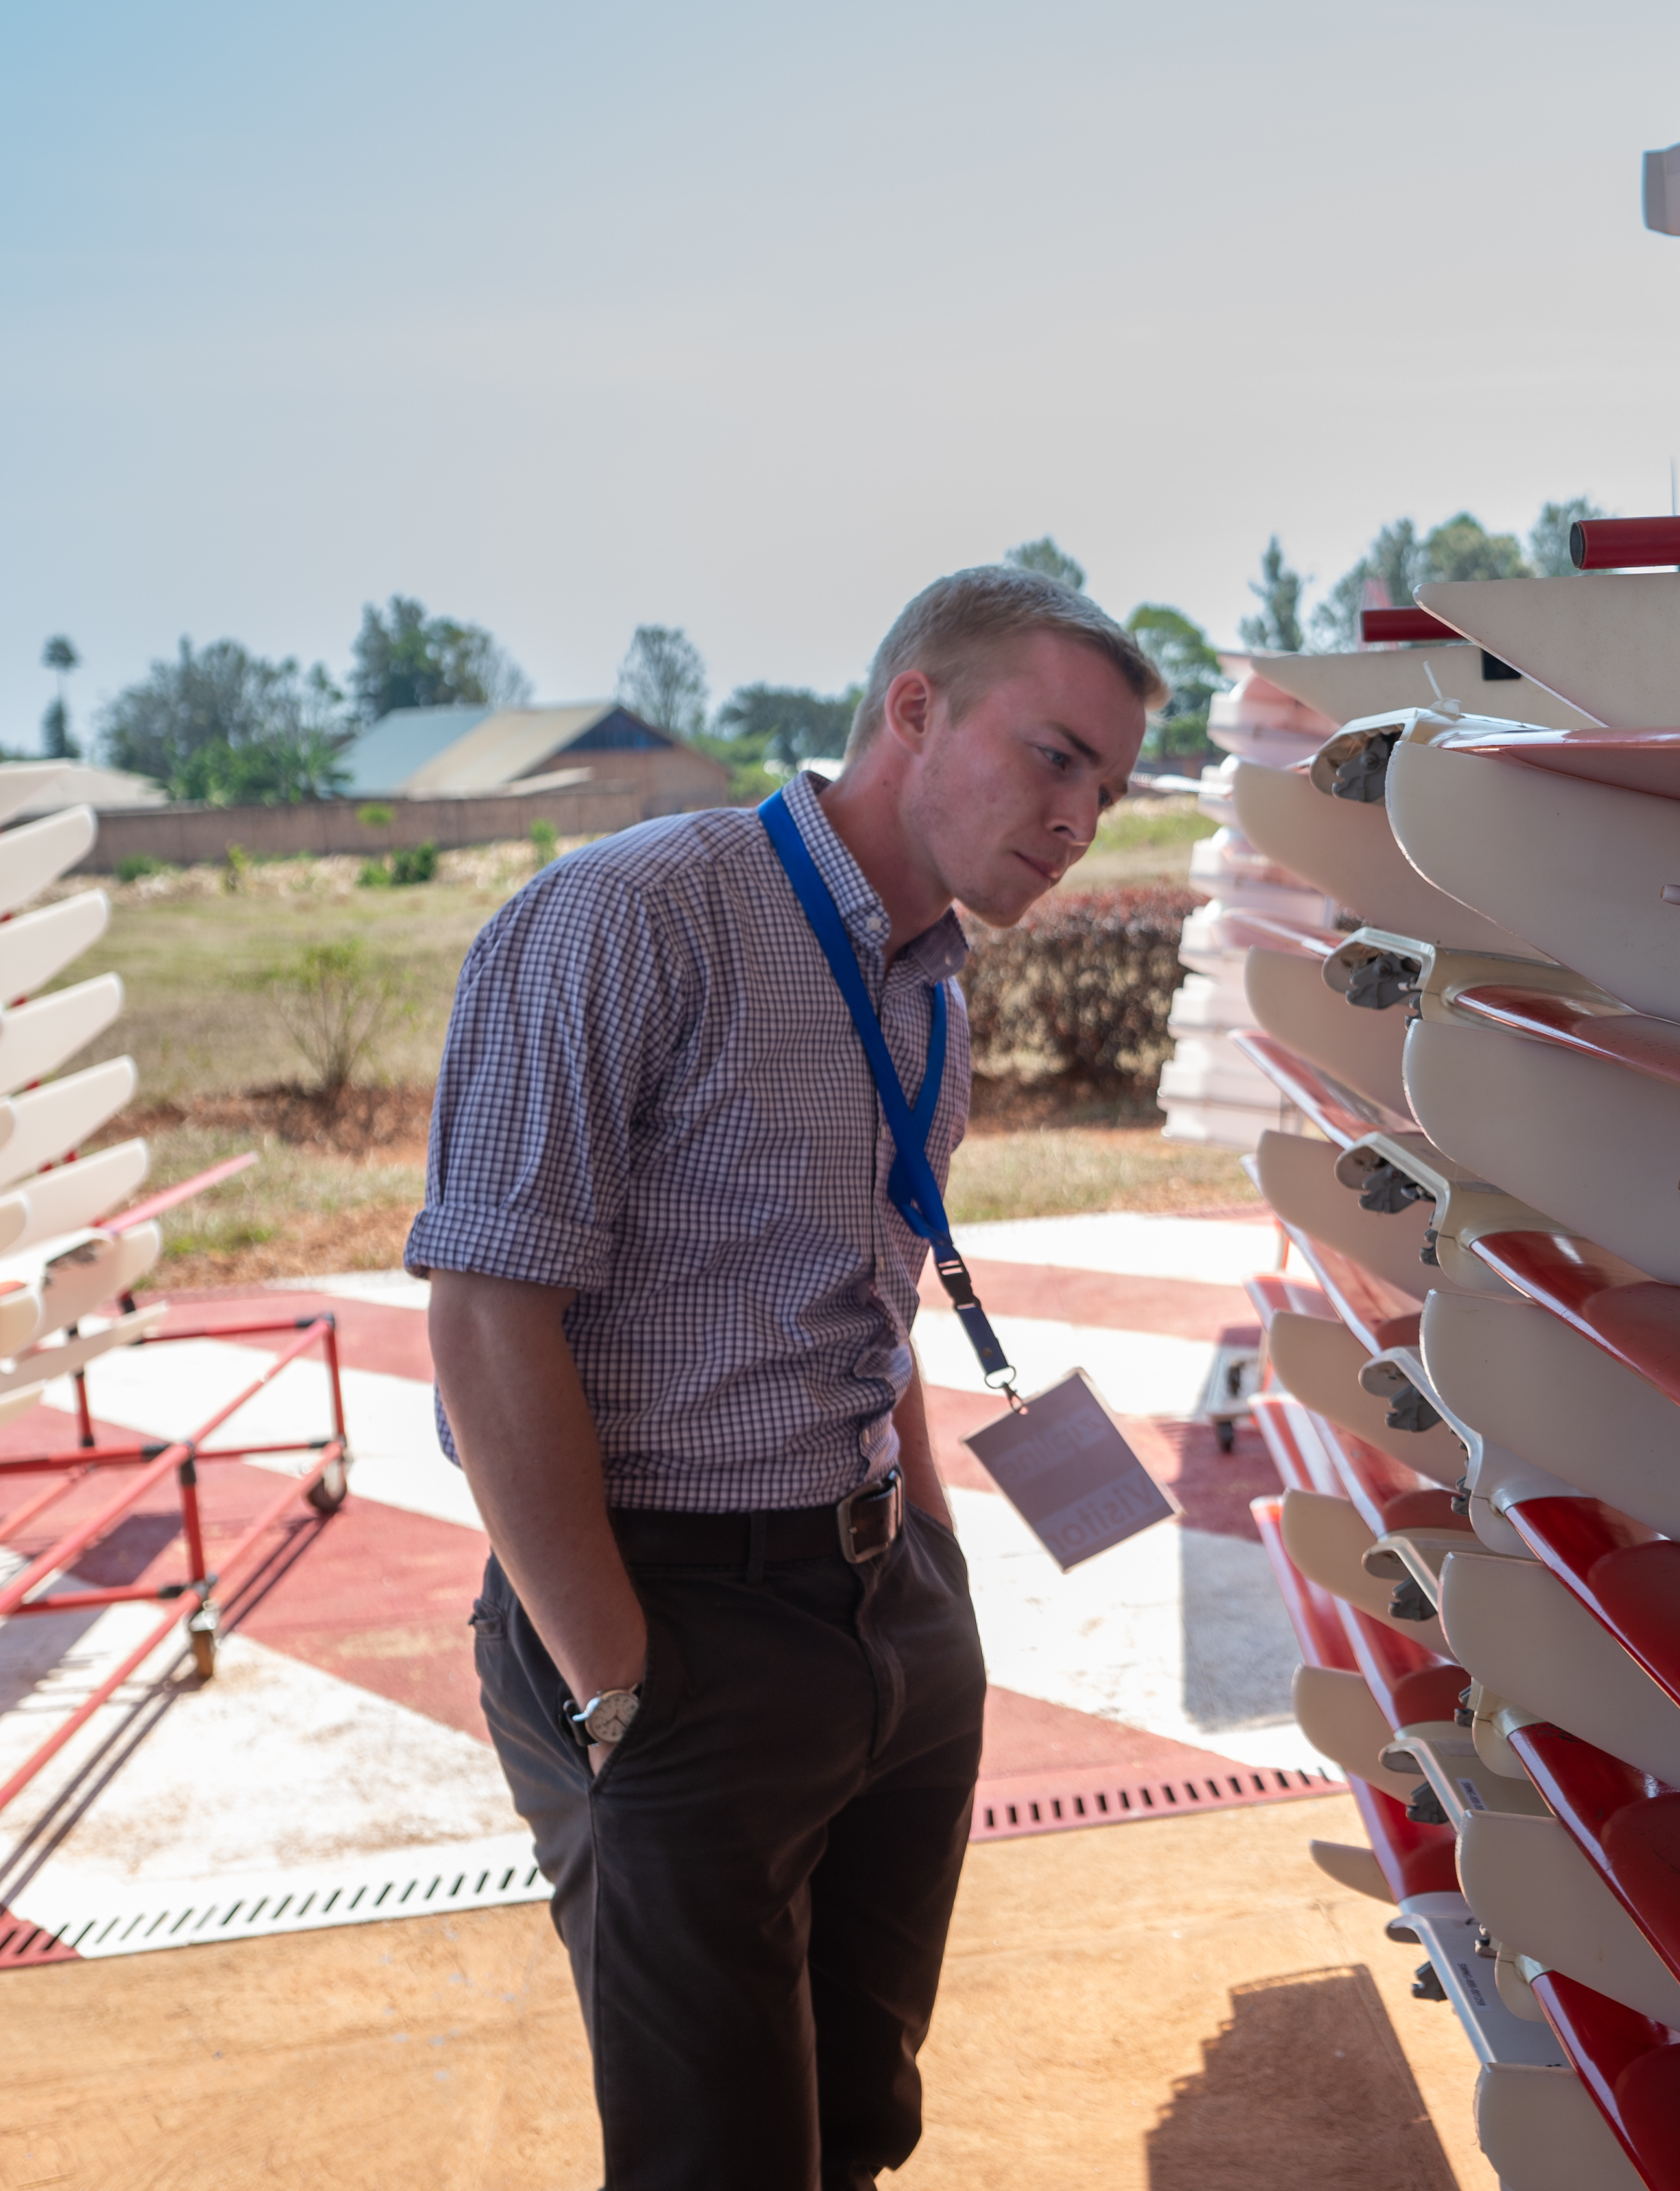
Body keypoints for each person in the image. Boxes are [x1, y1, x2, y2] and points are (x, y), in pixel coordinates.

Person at [413, 567, 1158, 2189]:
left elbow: (872, 1292)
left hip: (880, 1604)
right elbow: (484, 1319)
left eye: (1107, 783)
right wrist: (617, 1683)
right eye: (1054, 757)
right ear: (915, 711)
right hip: (669, 1618)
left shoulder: (928, 987)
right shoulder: (631, 914)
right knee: (721, 2159)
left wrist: (934, 1572)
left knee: (854, 2125)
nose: (1083, 815)